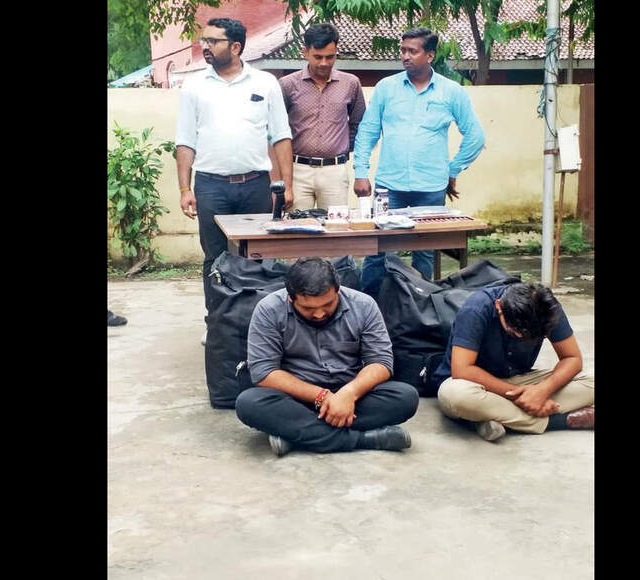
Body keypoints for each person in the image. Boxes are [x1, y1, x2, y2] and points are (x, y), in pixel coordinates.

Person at [174, 18, 295, 343]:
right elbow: (185, 141)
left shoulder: (265, 83)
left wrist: (287, 185)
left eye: (213, 41)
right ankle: (216, 323)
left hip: (256, 185)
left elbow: (281, 135)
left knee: (259, 256)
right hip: (210, 186)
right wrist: (185, 188)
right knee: (215, 257)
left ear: (236, 47)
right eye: (204, 40)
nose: (205, 46)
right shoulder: (194, 86)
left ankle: (262, 323)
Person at [235, 257, 419, 456]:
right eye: (308, 309)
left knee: (405, 397)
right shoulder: (269, 310)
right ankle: (364, 439)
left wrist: (349, 393)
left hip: (350, 396)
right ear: (291, 299)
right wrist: (321, 396)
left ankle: (296, 435)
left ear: (337, 291)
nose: (319, 314)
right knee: (249, 403)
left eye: (328, 304)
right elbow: (263, 372)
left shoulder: (364, 305)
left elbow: (381, 362)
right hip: (296, 399)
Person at [353, 27, 485, 295]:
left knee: (424, 253)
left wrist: (451, 169)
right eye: (402, 50)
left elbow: (475, 137)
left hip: (430, 188)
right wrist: (360, 171)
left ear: (430, 55)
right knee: (377, 250)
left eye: (412, 51)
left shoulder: (451, 92)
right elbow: (367, 132)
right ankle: (369, 305)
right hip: (389, 186)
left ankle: (420, 306)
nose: (405, 56)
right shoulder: (386, 88)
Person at [431, 282, 594, 441]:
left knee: (591, 380)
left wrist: (542, 390)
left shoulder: (548, 309)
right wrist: (522, 396)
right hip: (475, 383)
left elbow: (572, 358)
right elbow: (462, 369)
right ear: (499, 307)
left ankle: (490, 418)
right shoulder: (476, 309)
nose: (521, 338)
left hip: (521, 379)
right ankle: (559, 421)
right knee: (455, 396)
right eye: (515, 332)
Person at [277, 22, 366, 212]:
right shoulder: (287, 85)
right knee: (297, 226)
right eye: (318, 57)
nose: (324, 63)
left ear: (336, 52)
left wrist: (342, 148)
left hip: (334, 171)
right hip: (297, 170)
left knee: (336, 226)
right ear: (305, 52)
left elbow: (359, 125)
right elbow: (277, 130)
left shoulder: (351, 83)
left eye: (330, 57)